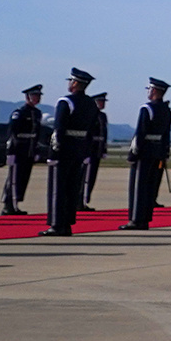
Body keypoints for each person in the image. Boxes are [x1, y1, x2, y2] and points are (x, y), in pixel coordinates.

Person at [45, 70, 98, 236]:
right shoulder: (91, 104)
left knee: (58, 187)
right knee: (72, 187)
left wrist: (53, 153)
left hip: (64, 149)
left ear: (74, 83)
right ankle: (67, 223)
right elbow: (92, 130)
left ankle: (56, 223)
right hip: (80, 148)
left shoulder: (66, 102)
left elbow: (58, 129)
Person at [124, 79, 171, 230]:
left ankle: (136, 219)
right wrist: (164, 153)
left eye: (150, 89)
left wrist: (133, 153)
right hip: (157, 151)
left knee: (138, 186)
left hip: (144, 152)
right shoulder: (166, 110)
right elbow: (166, 135)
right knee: (150, 186)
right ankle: (145, 218)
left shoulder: (147, 109)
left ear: (154, 91)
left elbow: (140, 133)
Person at [0, 84, 45, 215]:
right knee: (14, 178)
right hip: (18, 149)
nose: (37, 98)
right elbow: (12, 133)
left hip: (29, 150)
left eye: (38, 96)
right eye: (34, 96)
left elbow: (36, 134)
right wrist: (10, 151)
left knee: (23, 178)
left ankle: (16, 202)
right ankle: (8, 204)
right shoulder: (19, 113)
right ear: (27, 97)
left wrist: (36, 151)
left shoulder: (37, 113)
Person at [84, 92, 111, 209]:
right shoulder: (89, 115)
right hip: (90, 149)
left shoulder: (102, 116)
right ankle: (81, 201)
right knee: (86, 177)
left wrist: (104, 149)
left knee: (92, 176)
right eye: (101, 101)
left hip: (98, 150)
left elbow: (103, 134)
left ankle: (86, 198)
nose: (103, 104)